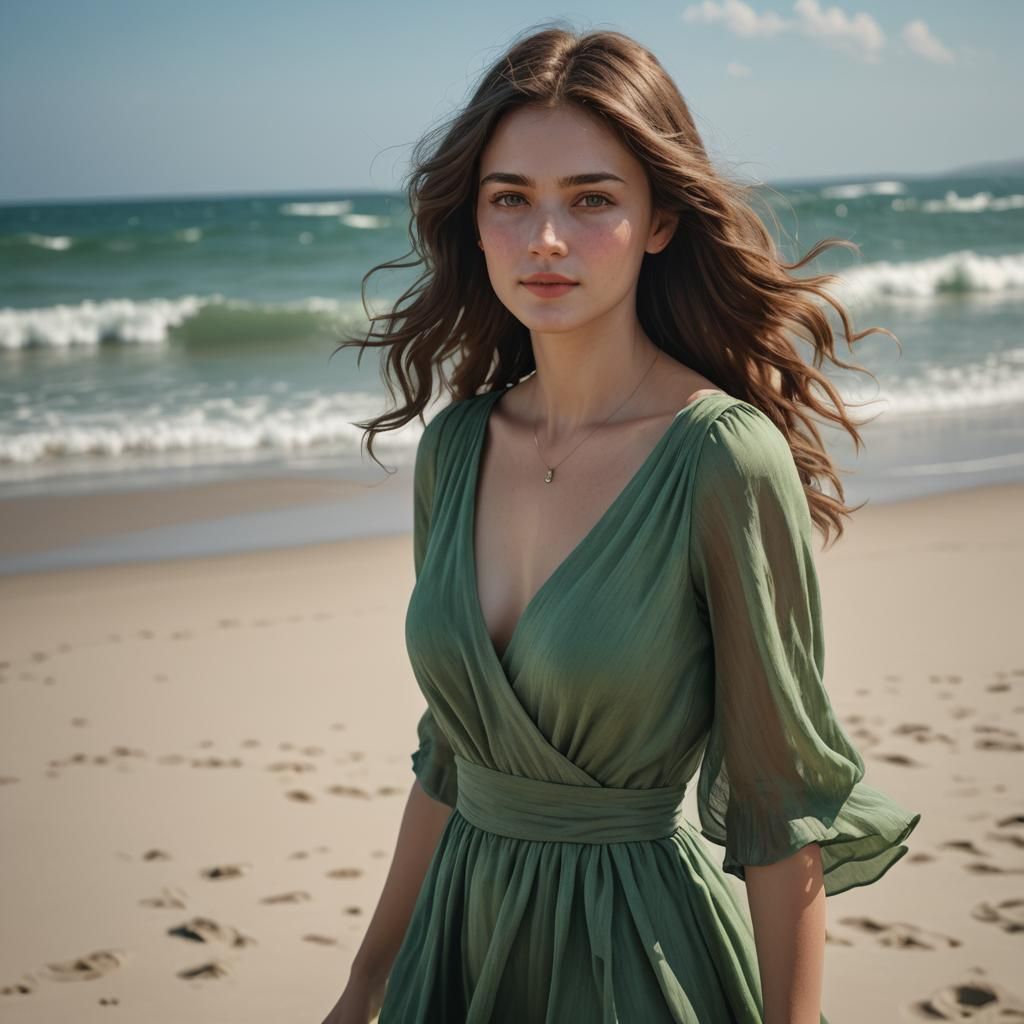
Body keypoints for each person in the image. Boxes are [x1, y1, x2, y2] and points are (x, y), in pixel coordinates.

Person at [323, 22, 921, 1024]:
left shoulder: (721, 458)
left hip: (632, 959)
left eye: (591, 199)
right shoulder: (456, 449)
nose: (545, 239)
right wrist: (366, 981)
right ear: (475, 221)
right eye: (510, 198)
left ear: (659, 221)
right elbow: (449, 758)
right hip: (455, 952)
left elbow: (780, 806)